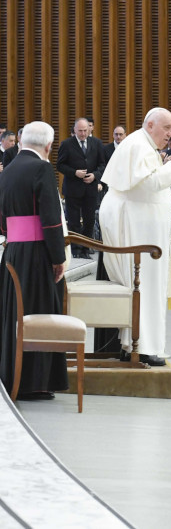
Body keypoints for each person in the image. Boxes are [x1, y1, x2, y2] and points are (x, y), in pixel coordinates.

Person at [100, 108, 171, 366]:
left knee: (141, 286)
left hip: (137, 223)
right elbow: (150, 184)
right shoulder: (139, 145)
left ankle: (134, 343)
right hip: (136, 227)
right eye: (167, 128)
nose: (170, 134)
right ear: (150, 124)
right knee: (143, 285)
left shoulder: (141, 144)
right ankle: (142, 347)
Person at [0, 121, 69, 399]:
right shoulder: (41, 168)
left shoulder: (8, 170)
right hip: (38, 252)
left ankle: (11, 374)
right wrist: (58, 258)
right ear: (49, 146)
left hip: (13, 251)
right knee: (39, 312)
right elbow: (51, 219)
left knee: (14, 312)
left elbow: (3, 222)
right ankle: (36, 383)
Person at [57, 117, 106, 258]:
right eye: (80, 131)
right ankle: (76, 249)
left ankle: (86, 249)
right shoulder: (66, 144)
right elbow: (60, 165)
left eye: (85, 130)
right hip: (73, 188)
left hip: (90, 188)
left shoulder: (96, 143)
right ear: (74, 130)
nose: (83, 134)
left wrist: (95, 176)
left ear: (89, 129)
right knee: (73, 221)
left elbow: (102, 165)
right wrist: (74, 173)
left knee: (89, 220)